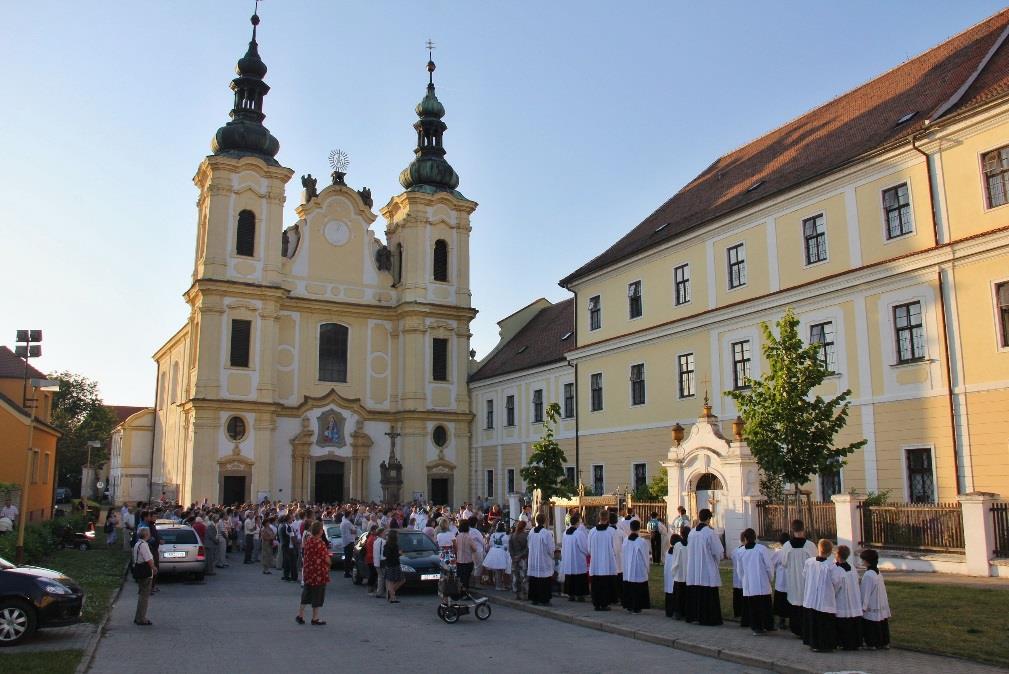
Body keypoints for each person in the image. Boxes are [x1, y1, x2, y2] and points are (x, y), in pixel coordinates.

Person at [801, 539, 843, 652]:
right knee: (825, 624)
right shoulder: (832, 566)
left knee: (813, 621)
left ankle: (813, 643)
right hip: (825, 599)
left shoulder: (809, 562)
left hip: (811, 597)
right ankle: (825, 645)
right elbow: (837, 582)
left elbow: (804, 575)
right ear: (830, 552)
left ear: (818, 549)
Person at [684, 508, 723, 625]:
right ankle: (709, 618)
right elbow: (718, 552)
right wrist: (717, 560)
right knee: (708, 591)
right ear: (708, 519)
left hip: (693, 568)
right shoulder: (710, 533)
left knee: (695, 591)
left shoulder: (692, 532)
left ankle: (694, 616)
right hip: (707, 568)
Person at [781, 520, 818, 637]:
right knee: (805, 602)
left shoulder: (786, 546)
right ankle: (806, 628)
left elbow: (784, 563)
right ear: (804, 529)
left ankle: (796, 629)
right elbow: (816, 562)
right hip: (807, 580)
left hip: (793, 579)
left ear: (792, 530)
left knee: (794, 602)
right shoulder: (810, 545)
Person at [737, 527, 774, 635]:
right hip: (762, 583)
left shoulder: (741, 552)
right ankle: (767, 625)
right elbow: (769, 566)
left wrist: (743, 580)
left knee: (754, 607)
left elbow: (740, 570)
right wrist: (770, 578)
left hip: (749, 584)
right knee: (765, 606)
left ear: (745, 538)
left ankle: (756, 627)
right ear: (755, 537)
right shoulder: (761, 549)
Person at [297, 521, 330, 626]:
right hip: (318, 572)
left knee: (306, 592)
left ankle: (300, 615)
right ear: (319, 531)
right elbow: (326, 558)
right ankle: (315, 618)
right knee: (318, 594)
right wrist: (329, 563)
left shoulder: (308, 541)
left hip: (308, 571)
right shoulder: (320, 543)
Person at [859, 549, 891, 649]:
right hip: (880, 602)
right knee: (881, 622)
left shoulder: (868, 575)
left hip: (872, 604)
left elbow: (865, 592)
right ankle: (884, 642)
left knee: (871, 624)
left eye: (863, 560)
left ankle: (872, 643)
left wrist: (863, 606)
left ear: (867, 561)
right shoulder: (878, 573)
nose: (862, 562)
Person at [833, 545, 862, 650]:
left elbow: (835, 586)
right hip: (854, 599)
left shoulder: (838, 570)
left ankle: (845, 643)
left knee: (844, 623)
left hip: (843, 601)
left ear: (837, 555)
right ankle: (855, 642)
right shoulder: (852, 567)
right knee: (853, 621)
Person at [588, 512, 618, 611]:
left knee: (596, 585)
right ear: (608, 518)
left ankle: (596, 604)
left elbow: (589, 549)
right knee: (606, 585)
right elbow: (616, 548)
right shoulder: (611, 531)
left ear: (599, 518)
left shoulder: (592, 531)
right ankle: (604, 604)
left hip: (596, 564)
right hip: (607, 564)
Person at [621, 519, 651, 613]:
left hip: (627, 569)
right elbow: (646, 557)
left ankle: (629, 605)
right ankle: (637, 607)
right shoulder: (641, 542)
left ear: (630, 528)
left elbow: (623, 554)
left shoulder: (625, 540)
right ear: (639, 529)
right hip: (638, 569)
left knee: (629, 586)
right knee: (638, 587)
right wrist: (647, 568)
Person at [560, 512, 589, 602]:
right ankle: (580, 595)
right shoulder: (579, 534)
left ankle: (571, 594)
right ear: (577, 522)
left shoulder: (565, 533)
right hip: (578, 559)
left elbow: (563, 546)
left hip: (569, 559)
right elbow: (584, 547)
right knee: (579, 577)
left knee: (570, 577)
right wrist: (587, 553)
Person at [527, 514, 554, 606]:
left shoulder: (531, 532)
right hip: (543, 559)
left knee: (534, 579)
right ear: (545, 521)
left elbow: (528, 545)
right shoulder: (546, 533)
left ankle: (534, 598)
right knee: (544, 580)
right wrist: (552, 555)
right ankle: (544, 599)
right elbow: (550, 548)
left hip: (534, 559)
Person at [132, 527, 156, 626]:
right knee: (144, 596)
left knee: (142, 594)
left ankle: (138, 616)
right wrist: (153, 567)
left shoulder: (137, 544)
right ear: (146, 534)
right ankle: (141, 618)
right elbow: (148, 559)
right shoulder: (144, 545)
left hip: (139, 570)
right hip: (145, 572)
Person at [668, 526, 689, 619]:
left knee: (678, 595)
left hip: (679, 574)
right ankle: (686, 612)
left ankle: (677, 612)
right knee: (686, 594)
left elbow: (675, 560)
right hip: (688, 574)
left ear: (681, 533)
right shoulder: (691, 545)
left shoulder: (677, 545)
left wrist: (673, 571)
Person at [482, 522, 511, 590]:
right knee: (503, 569)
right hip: (502, 553)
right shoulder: (506, 536)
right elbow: (508, 546)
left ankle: (498, 585)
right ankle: (502, 585)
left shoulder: (493, 535)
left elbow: (490, 544)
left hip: (494, 552)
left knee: (498, 570)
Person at [772, 532, 790, 630]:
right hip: (790, 583)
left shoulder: (779, 553)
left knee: (781, 603)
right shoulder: (791, 552)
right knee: (789, 602)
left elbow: (772, 565)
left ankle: (781, 621)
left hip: (781, 582)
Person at [663, 530, 682, 618]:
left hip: (668, 576)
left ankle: (668, 612)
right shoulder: (677, 552)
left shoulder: (667, 552)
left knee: (669, 593)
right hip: (674, 576)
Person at [509, 520, 529, 600]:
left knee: (516, 577)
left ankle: (517, 594)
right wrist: (520, 556)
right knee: (524, 577)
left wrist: (513, 557)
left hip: (514, 559)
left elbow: (510, 548)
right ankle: (524, 594)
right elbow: (527, 548)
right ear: (524, 526)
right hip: (523, 559)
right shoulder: (525, 536)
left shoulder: (512, 535)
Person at [454, 521, 477, 589]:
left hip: (459, 560)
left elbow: (455, 548)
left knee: (460, 577)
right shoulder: (469, 537)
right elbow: (475, 548)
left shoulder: (457, 537)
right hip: (468, 560)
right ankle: (465, 593)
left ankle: (460, 592)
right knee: (466, 578)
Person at [383, 530, 405, 603]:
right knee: (394, 581)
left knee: (397, 581)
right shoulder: (392, 546)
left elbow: (385, 554)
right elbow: (389, 555)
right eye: (397, 535)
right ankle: (393, 597)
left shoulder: (389, 545)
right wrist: (399, 554)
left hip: (392, 564)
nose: (398, 536)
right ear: (394, 536)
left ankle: (391, 593)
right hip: (393, 564)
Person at [339, 512, 356, 579]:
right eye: (351, 515)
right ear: (349, 515)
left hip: (345, 541)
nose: (352, 516)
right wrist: (354, 530)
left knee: (347, 558)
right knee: (348, 558)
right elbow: (354, 531)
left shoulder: (343, 522)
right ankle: (347, 573)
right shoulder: (347, 523)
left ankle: (346, 572)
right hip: (349, 542)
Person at [373, 528, 387, 598]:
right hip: (382, 562)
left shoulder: (375, 541)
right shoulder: (383, 542)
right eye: (384, 532)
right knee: (385, 578)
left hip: (376, 562)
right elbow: (384, 554)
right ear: (381, 533)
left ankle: (379, 592)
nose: (385, 534)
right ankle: (386, 592)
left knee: (380, 577)